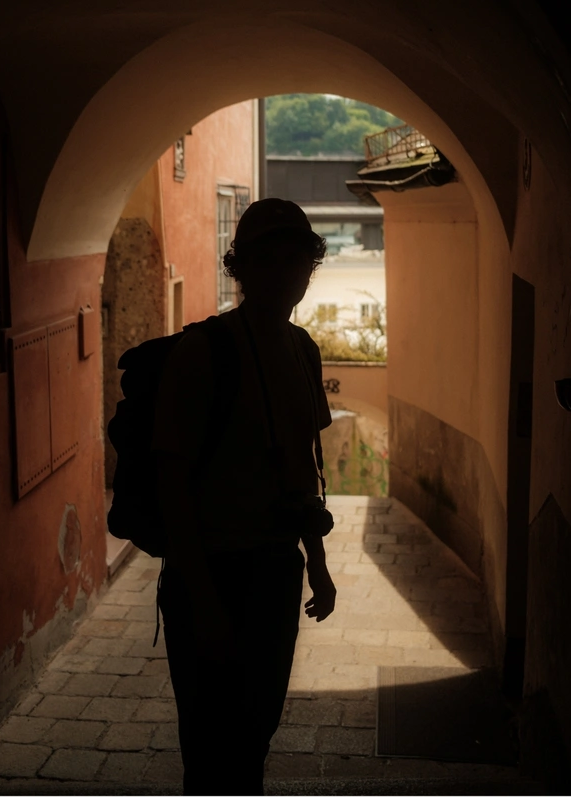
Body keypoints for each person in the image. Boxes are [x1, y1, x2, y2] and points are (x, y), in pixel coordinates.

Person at [152, 198, 337, 796]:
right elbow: (172, 482)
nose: (285, 272)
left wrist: (317, 565)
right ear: (242, 268)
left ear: (310, 268)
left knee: (255, 735)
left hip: (275, 572)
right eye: (269, 259)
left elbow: (302, 467)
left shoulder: (303, 350)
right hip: (211, 573)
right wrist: (204, 602)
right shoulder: (204, 353)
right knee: (210, 748)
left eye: (297, 259)